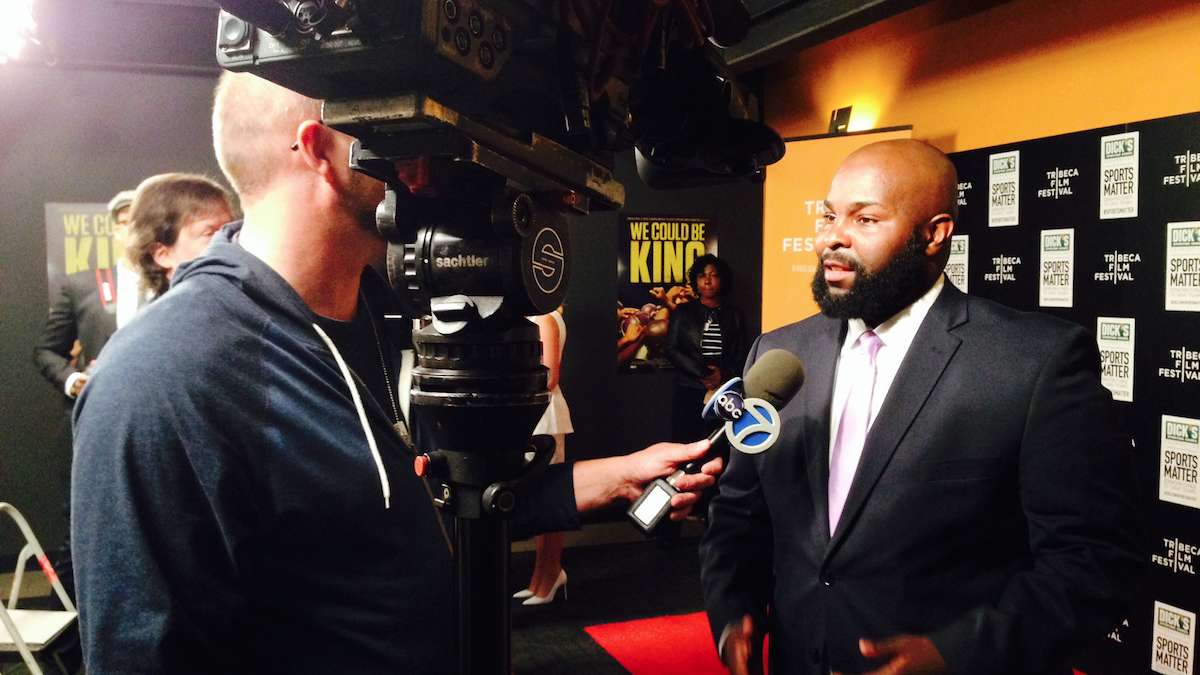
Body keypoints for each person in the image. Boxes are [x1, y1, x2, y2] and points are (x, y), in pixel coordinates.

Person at [71, 71, 721, 674]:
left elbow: (425, 504)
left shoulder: (380, 312)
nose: (424, 165)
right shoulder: (162, 376)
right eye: (400, 132)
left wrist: (609, 479)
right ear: (320, 149)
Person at [700, 140, 1142, 675]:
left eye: (865, 219)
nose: (832, 237)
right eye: (829, 215)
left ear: (934, 234)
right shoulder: (778, 354)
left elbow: (1091, 563)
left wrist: (955, 655)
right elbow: (739, 515)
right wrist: (733, 611)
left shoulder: (1034, 362)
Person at [33, 190, 133, 402]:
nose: (134, 229)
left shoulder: (176, 283)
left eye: (141, 221)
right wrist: (73, 380)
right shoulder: (82, 285)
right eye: (126, 222)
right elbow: (46, 350)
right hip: (102, 408)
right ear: (116, 231)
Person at [515, 307, 574, 605]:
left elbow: (549, 376)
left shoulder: (546, 318)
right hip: (534, 413)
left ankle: (550, 576)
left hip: (545, 414)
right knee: (541, 498)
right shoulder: (536, 317)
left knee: (550, 496)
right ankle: (541, 578)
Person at [665, 254, 747, 443]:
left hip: (724, 390)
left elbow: (742, 354)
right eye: (702, 275)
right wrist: (701, 373)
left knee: (718, 443)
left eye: (713, 275)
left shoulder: (735, 315)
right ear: (695, 280)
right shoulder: (682, 312)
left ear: (722, 280)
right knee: (685, 442)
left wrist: (723, 375)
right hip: (689, 387)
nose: (707, 280)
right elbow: (671, 349)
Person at [124, 172, 234, 302]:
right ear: (162, 254)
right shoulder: (161, 321)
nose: (229, 242)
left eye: (230, 230)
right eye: (210, 234)